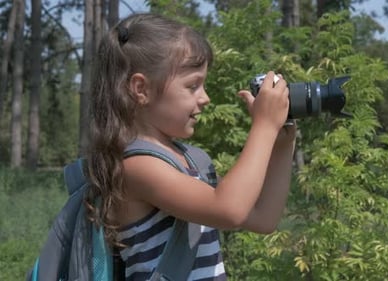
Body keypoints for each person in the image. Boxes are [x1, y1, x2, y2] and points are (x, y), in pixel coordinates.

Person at [85, 12, 296, 281]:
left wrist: (281, 142)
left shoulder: (188, 161)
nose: (205, 98)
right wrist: (264, 127)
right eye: (193, 85)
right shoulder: (135, 166)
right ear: (141, 88)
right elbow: (229, 210)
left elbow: (263, 218)